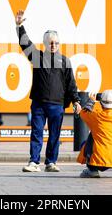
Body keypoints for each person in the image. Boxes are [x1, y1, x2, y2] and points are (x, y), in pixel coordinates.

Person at [16, 9, 82, 173]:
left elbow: (71, 83)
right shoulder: (37, 57)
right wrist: (19, 26)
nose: (53, 45)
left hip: (57, 105)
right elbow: (25, 43)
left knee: (54, 135)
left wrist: (77, 101)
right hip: (39, 103)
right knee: (36, 133)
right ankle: (34, 162)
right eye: (50, 42)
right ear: (45, 43)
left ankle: (50, 162)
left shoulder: (65, 61)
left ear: (59, 44)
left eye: (56, 43)